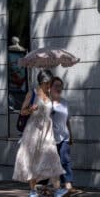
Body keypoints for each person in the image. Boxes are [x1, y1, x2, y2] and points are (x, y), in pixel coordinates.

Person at [13, 69, 67, 197]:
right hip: (34, 132)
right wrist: (31, 109)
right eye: (48, 83)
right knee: (33, 160)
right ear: (42, 82)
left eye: (50, 83)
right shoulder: (32, 93)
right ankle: (32, 191)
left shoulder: (50, 95)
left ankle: (58, 189)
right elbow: (22, 112)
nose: (49, 86)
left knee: (53, 157)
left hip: (47, 132)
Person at [50, 77, 82, 196]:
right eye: (56, 86)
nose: (59, 88)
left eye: (60, 86)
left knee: (65, 161)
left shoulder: (64, 102)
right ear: (50, 87)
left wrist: (71, 136)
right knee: (54, 163)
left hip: (64, 137)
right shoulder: (48, 103)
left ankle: (68, 185)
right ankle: (57, 187)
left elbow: (67, 121)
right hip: (51, 139)